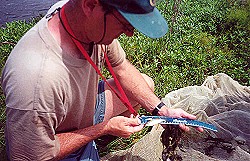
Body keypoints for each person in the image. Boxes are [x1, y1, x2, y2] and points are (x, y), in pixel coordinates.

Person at [1, 0, 203, 160]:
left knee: (145, 84)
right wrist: (103, 129)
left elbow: (121, 67)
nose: (130, 34)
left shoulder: (81, 21)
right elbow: (34, 157)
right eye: (125, 24)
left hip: (79, 110)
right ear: (90, 4)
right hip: (47, 142)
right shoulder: (34, 80)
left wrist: (162, 110)